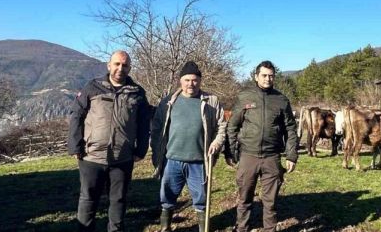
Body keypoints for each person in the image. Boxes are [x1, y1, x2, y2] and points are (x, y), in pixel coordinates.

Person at [68, 50, 151, 232]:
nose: (120, 68)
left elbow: (144, 124)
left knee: (118, 200)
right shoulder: (93, 87)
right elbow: (76, 116)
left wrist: (141, 150)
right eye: (117, 64)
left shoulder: (137, 93)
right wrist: (75, 146)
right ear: (109, 65)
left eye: (125, 65)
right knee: (88, 199)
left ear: (130, 68)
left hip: (122, 158)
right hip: (91, 157)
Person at [151, 61, 227, 232]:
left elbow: (222, 126)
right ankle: (166, 227)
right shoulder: (168, 102)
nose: (190, 84)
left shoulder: (211, 101)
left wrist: (216, 143)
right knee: (167, 197)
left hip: (199, 161)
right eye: (187, 80)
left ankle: (203, 228)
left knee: (201, 198)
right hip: (172, 160)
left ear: (200, 81)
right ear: (180, 81)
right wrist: (156, 151)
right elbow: (156, 127)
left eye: (194, 80)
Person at [226, 60, 298, 232]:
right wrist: (229, 151)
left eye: (271, 76)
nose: (268, 79)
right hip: (248, 156)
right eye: (264, 75)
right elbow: (232, 126)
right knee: (244, 198)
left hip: (272, 157)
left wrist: (291, 155)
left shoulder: (281, 100)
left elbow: (290, 129)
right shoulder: (244, 96)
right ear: (256, 76)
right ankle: (242, 228)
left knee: (270, 201)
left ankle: (269, 229)